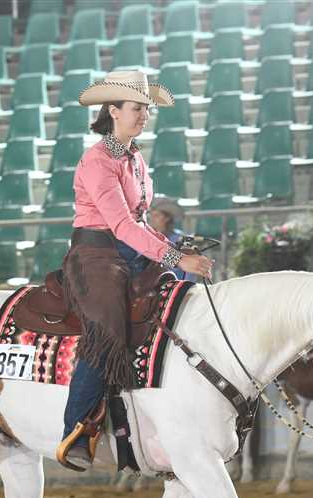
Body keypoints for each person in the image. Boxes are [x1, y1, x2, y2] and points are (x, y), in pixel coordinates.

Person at [57, 70, 214, 471]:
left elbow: (140, 223)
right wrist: (175, 258)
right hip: (95, 255)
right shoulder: (97, 161)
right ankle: (77, 429)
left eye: (146, 109)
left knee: (176, 296)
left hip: (128, 249)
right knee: (107, 329)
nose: (145, 115)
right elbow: (121, 225)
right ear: (113, 111)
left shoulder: (134, 158)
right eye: (137, 108)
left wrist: (172, 250)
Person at [148, 197, 194, 281]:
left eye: (156, 216)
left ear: (167, 218)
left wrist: (187, 284)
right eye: (151, 215)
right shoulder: (148, 238)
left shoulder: (180, 239)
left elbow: (189, 269)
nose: (152, 219)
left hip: (176, 283)